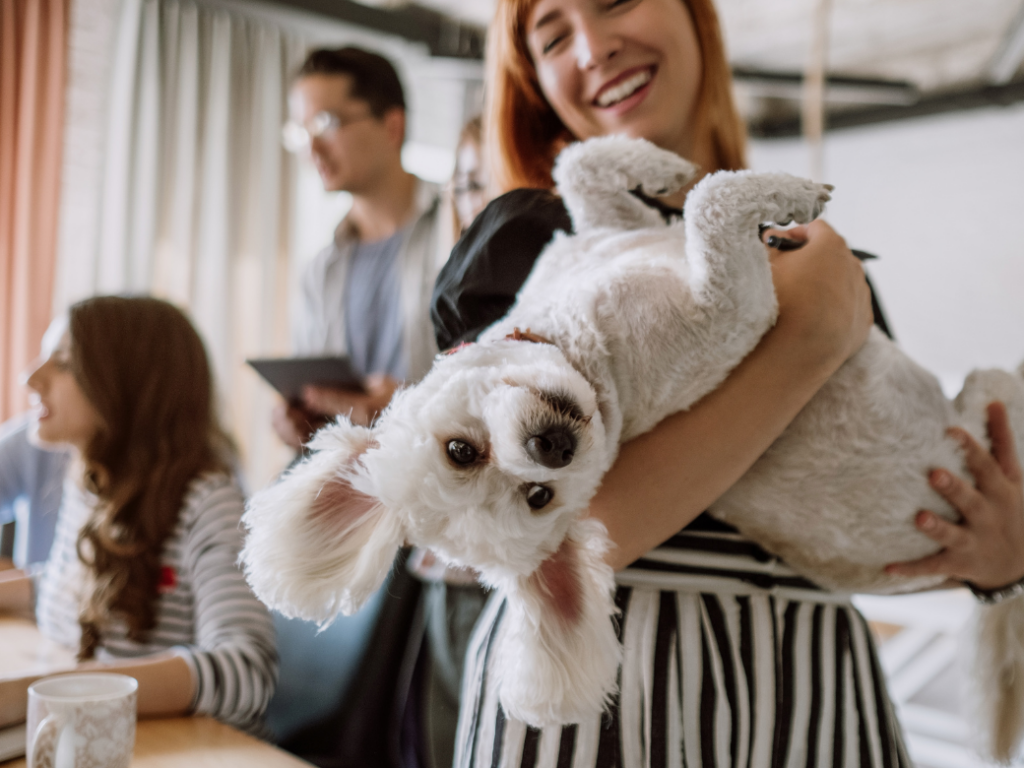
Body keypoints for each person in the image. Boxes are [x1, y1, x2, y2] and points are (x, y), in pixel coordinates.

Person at [430, 0, 1024, 766]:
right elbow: (531, 537)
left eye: (616, 1)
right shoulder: (529, 243)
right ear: (535, 81)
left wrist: (998, 563)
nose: (594, 47)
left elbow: (875, 524)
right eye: (553, 37)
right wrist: (802, 345)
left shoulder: (818, 256)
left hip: (817, 696)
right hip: (610, 697)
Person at [0, 296, 277, 733]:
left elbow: (248, 669)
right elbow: (70, 589)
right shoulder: (90, 483)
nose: (31, 377)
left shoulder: (207, 501)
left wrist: (49, 692)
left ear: (128, 387)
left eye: (65, 363)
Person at [273, 46, 446, 448]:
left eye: (326, 123)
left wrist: (408, 413)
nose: (311, 149)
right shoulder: (321, 269)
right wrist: (297, 421)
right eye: (301, 132)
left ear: (392, 126)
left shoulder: (459, 233)